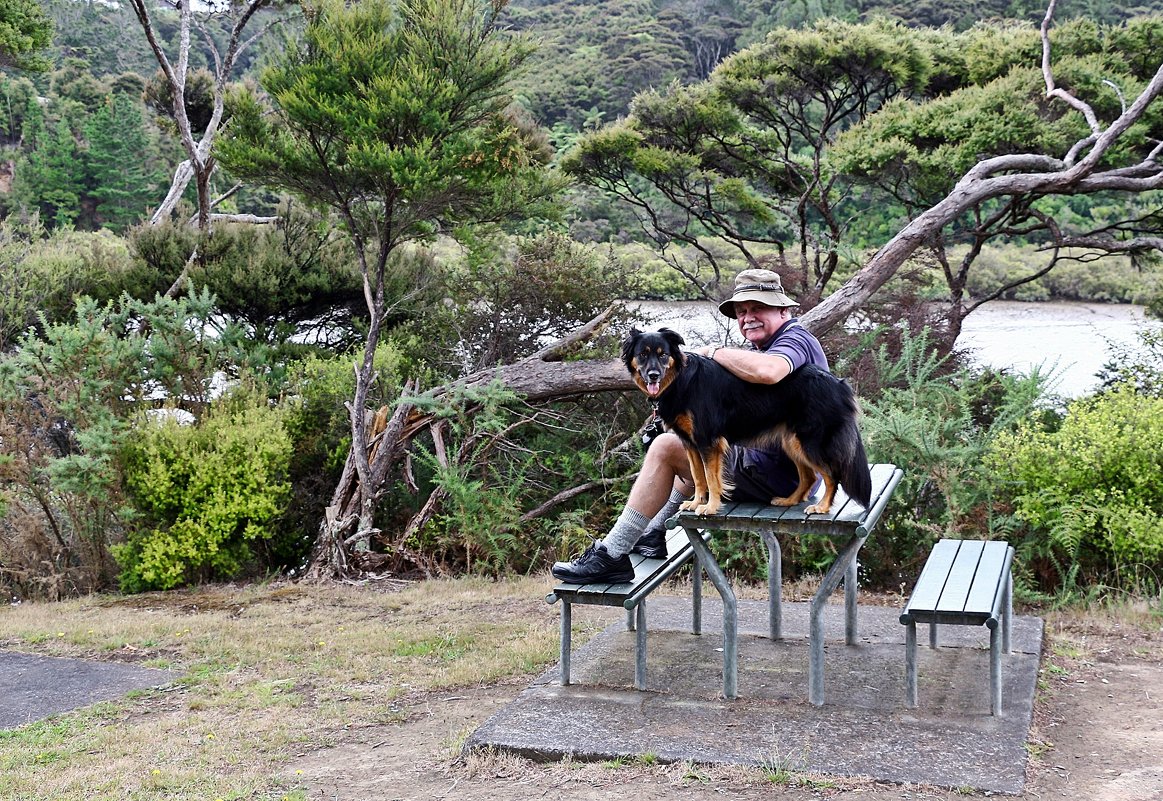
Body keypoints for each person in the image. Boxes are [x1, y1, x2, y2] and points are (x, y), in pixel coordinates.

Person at [551, 268, 830, 584]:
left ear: (783, 310)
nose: (748, 317)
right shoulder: (767, 343)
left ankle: (612, 556)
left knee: (666, 447)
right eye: (742, 311)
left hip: (778, 476)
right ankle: (654, 533)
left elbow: (769, 372)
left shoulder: (793, 340)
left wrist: (711, 351)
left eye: (758, 308)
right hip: (776, 469)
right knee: (690, 438)